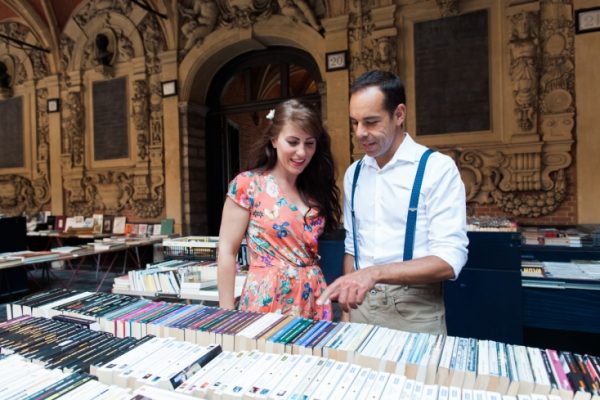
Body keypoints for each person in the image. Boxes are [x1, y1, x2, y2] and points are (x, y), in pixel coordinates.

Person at [317, 70, 468, 334]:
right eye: (354, 123)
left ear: (399, 114)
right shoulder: (354, 174)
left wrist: (374, 273)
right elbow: (353, 248)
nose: (360, 133)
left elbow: (449, 259)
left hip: (414, 311)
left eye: (371, 122)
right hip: (360, 310)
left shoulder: (436, 169)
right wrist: (349, 311)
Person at [218, 99, 341, 320]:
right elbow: (227, 251)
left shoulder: (314, 190)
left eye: (309, 143)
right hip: (269, 297)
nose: (301, 152)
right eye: (292, 142)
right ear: (274, 140)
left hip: (314, 296)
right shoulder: (248, 184)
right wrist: (226, 316)